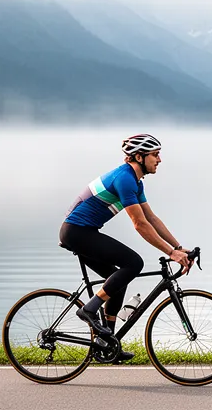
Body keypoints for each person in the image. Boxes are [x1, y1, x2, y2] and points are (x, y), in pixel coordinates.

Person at [59, 133, 190, 363]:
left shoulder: (135, 181)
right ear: (139, 156)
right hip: (77, 232)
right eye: (155, 155)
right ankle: (89, 309)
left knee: (116, 280)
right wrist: (170, 253)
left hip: (83, 231)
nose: (159, 160)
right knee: (134, 263)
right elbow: (139, 224)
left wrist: (178, 247)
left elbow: (151, 218)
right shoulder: (125, 179)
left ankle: (107, 344)